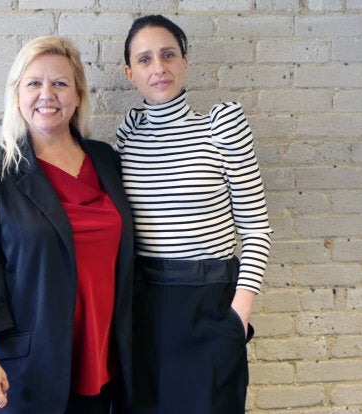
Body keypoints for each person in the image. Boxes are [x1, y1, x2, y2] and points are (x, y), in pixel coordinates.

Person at [0, 35, 134, 414]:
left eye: (60, 83)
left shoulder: (106, 161)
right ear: (17, 94)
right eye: (34, 83)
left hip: (100, 357)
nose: (46, 93)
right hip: (27, 365)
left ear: (79, 95)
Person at [116, 15, 273, 414]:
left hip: (211, 307)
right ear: (130, 73)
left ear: (185, 62)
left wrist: (238, 314)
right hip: (142, 310)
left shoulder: (221, 127)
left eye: (168, 55)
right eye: (146, 59)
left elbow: (257, 228)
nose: (159, 68)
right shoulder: (128, 136)